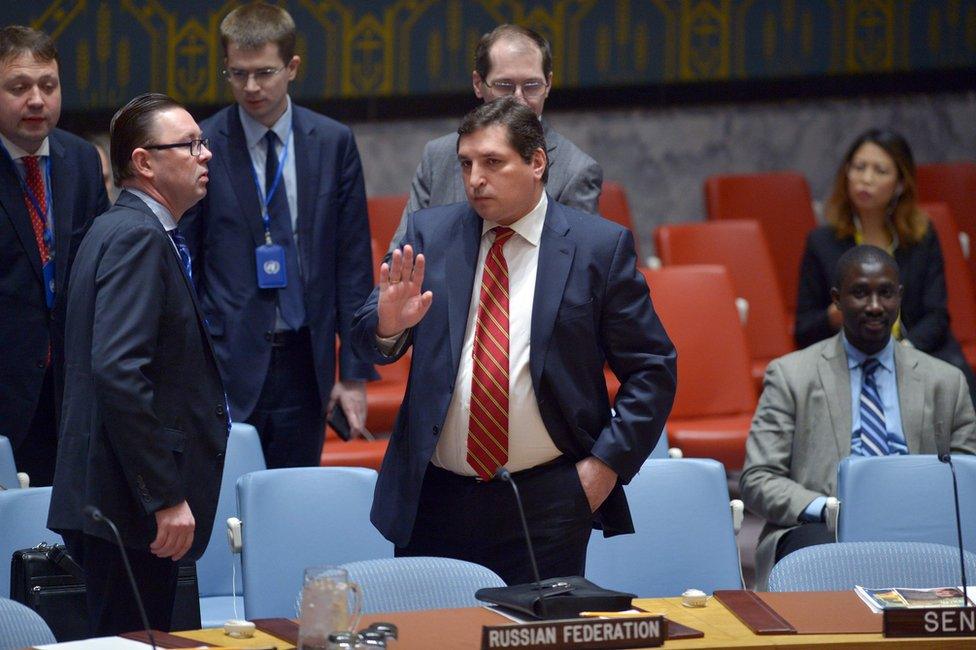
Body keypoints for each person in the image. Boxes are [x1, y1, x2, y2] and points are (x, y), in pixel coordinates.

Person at [351, 97, 676, 585]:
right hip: (436, 498)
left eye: (492, 162)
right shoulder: (430, 233)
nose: (474, 178)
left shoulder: (596, 248)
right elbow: (366, 336)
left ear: (537, 163)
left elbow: (652, 368)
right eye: (466, 164)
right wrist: (388, 324)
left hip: (546, 499)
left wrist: (605, 467)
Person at [47, 93, 228, 635]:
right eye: (189, 144)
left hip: (115, 500)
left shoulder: (117, 228)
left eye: (203, 141)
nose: (206, 154)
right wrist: (166, 495)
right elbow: (120, 372)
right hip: (130, 508)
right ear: (144, 161)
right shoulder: (136, 237)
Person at [179, 2, 376, 468]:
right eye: (237, 73)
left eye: (264, 72)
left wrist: (352, 374)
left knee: (291, 497)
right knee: (224, 509)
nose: (250, 87)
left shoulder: (332, 143)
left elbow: (351, 264)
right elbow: (186, 260)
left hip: (306, 363)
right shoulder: (202, 145)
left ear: (292, 68)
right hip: (226, 360)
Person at [742, 245, 976, 589]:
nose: (875, 306)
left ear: (899, 296)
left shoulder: (944, 381)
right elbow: (758, 478)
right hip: (825, 526)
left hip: (920, 523)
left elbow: (966, 475)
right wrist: (828, 508)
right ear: (837, 299)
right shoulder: (791, 375)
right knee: (815, 557)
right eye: (860, 293)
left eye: (885, 293)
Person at [795, 128, 976, 407]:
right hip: (849, 358)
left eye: (880, 171)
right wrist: (832, 317)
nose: (866, 179)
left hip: (918, 351)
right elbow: (804, 327)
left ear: (900, 183)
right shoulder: (821, 242)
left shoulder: (922, 236)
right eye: (859, 167)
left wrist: (903, 354)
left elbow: (936, 316)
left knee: (957, 381)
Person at [0, 26, 108, 486]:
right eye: (18, 88)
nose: (37, 100)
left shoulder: (82, 160)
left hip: (71, 393)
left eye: (48, 85)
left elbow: (104, 265)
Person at [387, 24, 602, 252]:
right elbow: (399, 260)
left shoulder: (576, 170)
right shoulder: (438, 155)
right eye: (504, 85)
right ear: (478, 84)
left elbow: (579, 272)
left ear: (548, 85)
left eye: (531, 86)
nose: (518, 99)